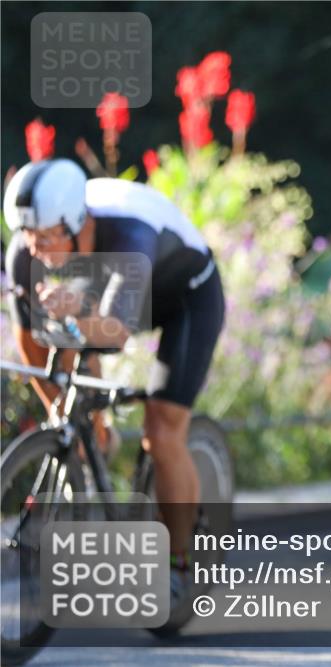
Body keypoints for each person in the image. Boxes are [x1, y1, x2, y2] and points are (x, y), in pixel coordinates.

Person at [3, 158, 225, 612]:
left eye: (46, 237)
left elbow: (116, 334)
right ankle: (96, 437)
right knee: (60, 345)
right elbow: (30, 341)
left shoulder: (130, 235)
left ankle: (180, 562)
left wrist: (72, 311)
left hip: (185, 298)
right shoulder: (26, 251)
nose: (35, 247)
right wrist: (58, 409)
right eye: (28, 235)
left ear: (76, 223)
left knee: (162, 433)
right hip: (106, 286)